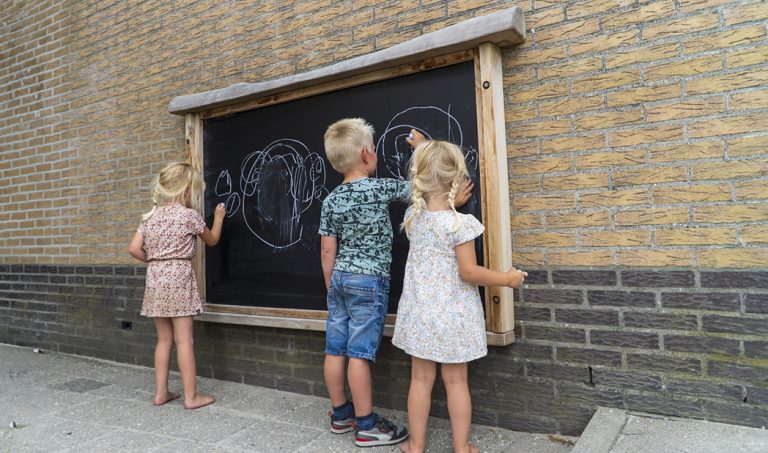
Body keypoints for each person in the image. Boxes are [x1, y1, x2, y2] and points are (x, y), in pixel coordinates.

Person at [393, 131, 527, 453]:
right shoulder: (460, 224)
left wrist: (422, 148)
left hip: (421, 315)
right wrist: (507, 279)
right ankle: (461, 447)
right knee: (456, 383)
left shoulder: (414, 216)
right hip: (453, 317)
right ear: (457, 179)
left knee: (420, 382)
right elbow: (469, 271)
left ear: (420, 178)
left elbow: (430, 179)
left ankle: (416, 446)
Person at [128, 162, 225, 410]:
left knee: (163, 340)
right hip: (179, 277)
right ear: (185, 191)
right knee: (184, 341)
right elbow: (212, 240)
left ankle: (161, 393)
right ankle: (191, 398)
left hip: (156, 278)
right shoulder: (189, 215)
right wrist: (219, 218)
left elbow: (133, 249)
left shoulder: (150, 217)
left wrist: (154, 259)